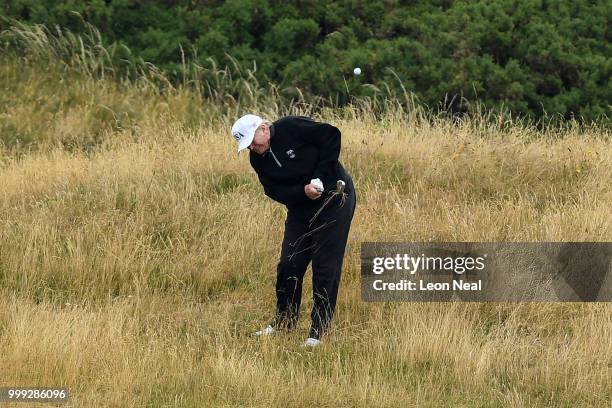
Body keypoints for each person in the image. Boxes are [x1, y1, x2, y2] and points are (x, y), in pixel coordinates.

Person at [230, 114, 356, 347]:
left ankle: (318, 331)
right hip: (300, 208)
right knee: (290, 262)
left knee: (325, 264)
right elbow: (273, 190)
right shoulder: (257, 159)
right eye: (247, 146)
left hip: (335, 198)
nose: (253, 148)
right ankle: (284, 323)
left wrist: (319, 176)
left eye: (253, 142)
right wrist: (303, 192)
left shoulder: (291, 127)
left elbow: (331, 135)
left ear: (264, 129)